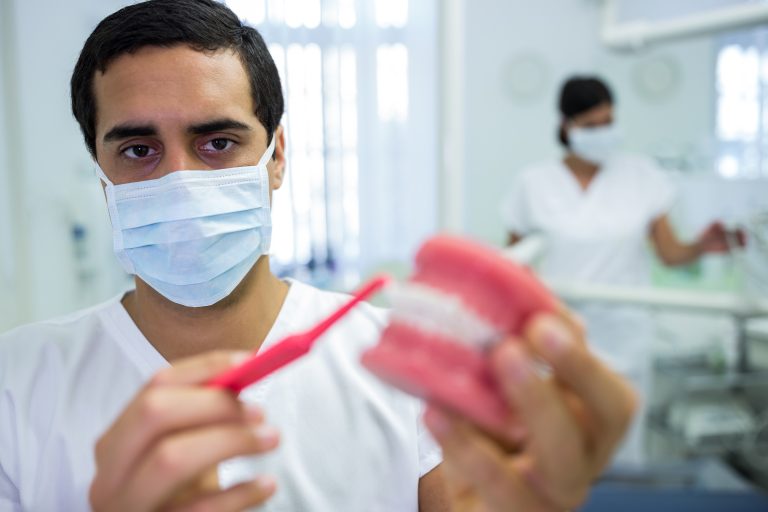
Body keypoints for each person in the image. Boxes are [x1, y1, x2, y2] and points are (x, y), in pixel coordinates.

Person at [0, 3, 635, 511]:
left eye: (218, 141)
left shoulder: (401, 370)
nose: (182, 178)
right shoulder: (16, 384)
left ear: (276, 157)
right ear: (101, 175)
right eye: (139, 150)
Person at [500, 75, 740, 467]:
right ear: (566, 125)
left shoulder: (640, 176)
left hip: (626, 338)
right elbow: (514, 267)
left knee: (622, 456)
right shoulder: (534, 184)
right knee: (563, 458)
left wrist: (702, 246)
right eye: (591, 126)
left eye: (608, 123)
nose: (602, 134)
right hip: (560, 339)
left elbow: (669, 253)